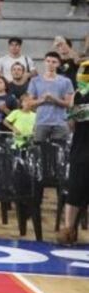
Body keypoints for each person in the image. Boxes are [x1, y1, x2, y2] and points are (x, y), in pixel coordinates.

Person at [57, 60, 89, 246]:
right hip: (80, 150)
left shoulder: (78, 95)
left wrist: (76, 112)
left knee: (75, 194)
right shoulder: (78, 95)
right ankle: (68, 230)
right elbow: (71, 123)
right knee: (75, 193)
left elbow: (72, 122)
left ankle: (69, 230)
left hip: (80, 151)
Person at [27, 51, 75, 142]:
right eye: (48, 61)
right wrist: (42, 100)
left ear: (58, 64)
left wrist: (54, 98)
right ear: (44, 62)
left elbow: (69, 104)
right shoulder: (35, 81)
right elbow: (29, 103)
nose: (50, 64)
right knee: (40, 152)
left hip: (60, 123)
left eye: (54, 62)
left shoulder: (66, 81)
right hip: (41, 122)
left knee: (58, 152)